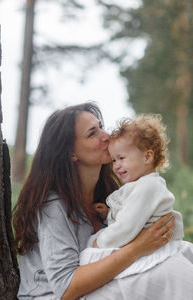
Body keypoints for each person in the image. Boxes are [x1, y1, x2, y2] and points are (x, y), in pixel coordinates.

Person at [12, 102, 193, 300]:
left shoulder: (109, 195)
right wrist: (138, 248)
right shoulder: (54, 207)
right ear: (71, 153)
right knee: (170, 271)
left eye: (101, 127)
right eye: (92, 133)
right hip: (51, 296)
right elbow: (66, 289)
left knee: (182, 256)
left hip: (96, 288)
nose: (106, 135)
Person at [79, 114, 184, 277]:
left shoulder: (148, 187)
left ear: (147, 157)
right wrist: (109, 214)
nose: (116, 166)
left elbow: (126, 228)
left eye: (121, 158)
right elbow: (132, 216)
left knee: (86, 256)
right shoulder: (141, 185)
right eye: (114, 160)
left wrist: (97, 244)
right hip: (140, 244)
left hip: (152, 251)